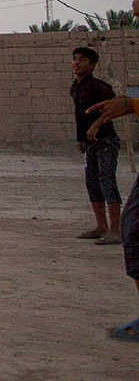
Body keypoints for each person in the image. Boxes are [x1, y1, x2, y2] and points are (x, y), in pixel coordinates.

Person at [85, 0, 139, 342]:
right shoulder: (78, 88)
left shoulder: (96, 84)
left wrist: (130, 106)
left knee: (134, 229)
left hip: (106, 144)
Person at [70, 46, 121, 245]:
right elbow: (81, 116)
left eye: (82, 59)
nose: (76, 62)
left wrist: (96, 126)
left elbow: (111, 111)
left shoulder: (100, 87)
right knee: (92, 184)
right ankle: (101, 226)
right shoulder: (75, 87)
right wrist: (82, 139)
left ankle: (116, 231)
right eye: (75, 58)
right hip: (90, 144)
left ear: (92, 65)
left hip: (105, 141)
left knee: (107, 182)